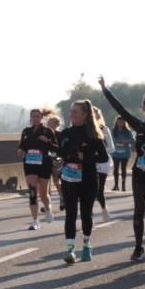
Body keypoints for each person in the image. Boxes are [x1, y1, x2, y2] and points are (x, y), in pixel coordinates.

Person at [99, 76, 145, 261]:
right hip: (141, 173)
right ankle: (138, 247)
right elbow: (120, 108)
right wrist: (105, 89)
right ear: (144, 107)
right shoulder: (138, 124)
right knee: (138, 209)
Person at [57, 100, 109, 264]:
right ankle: (70, 250)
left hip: (88, 179)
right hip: (69, 178)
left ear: (85, 115)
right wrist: (60, 158)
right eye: (71, 112)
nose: (71, 114)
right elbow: (60, 151)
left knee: (86, 214)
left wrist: (85, 157)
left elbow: (103, 157)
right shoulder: (65, 133)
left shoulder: (93, 134)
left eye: (75, 112)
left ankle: (86, 245)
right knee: (70, 214)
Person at [17, 108, 57, 230]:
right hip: (30, 164)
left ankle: (48, 209)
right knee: (33, 192)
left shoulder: (47, 131)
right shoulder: (26, 131)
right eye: (33, 116)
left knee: (43, 193)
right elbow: (22, 146)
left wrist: (48, 141)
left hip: (44, 163)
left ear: (41, 118)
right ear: (30, 118)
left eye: (37, 116)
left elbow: (56, 147)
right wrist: (20, 150)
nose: (35, 118)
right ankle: (35, 221)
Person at [93, 106, 116, 223]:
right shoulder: (85, 129)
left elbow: (111, 148)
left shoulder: (104, 129)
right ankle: (88, 213)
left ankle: (104, 209)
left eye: (94, 114)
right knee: (89, 188)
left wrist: (100, 151)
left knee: (99, 189)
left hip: (103, 162)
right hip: (89, 161)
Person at [46, 114, 65, 210]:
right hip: (46, 159)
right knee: (46, 182)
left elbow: (61, 148)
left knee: (56, 181)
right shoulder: (44, 133)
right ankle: (47, 204)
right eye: (48, 122)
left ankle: (62, 198)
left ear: (56, 124)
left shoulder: (59, 135)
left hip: (56, 159)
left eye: (51, 122)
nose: (48, 124)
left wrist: (61, 159)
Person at [110, 116, 133, 191]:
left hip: (125, 153)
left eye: (121, 122)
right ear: (116, 122)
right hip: (115, 153)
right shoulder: (113, 131)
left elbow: (132, 140)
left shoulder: (127, 131)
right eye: (118, 122)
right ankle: (116, 185)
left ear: (124, 123)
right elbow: (111, 139)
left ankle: (123, 186)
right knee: (116, 169)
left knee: (123, 169)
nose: (120, 123)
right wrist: (116, 141)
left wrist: (126, 141)